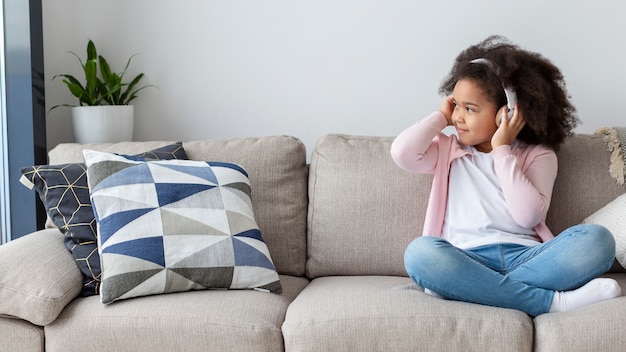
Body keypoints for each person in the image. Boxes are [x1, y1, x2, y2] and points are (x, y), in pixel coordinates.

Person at [390, 35, 621, 317]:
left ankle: (472, 290)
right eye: (456, 105)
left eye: (470, 109)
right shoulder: (448, 149)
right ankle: (552, 303)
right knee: (420, 254)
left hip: (528, 258)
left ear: (506, 113)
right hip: (466, 258)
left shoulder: (538, 155)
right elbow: (403, 153)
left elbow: (528, 216)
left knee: (599, 240)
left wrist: (501, 150)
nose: (458, 117)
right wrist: (441, 116)